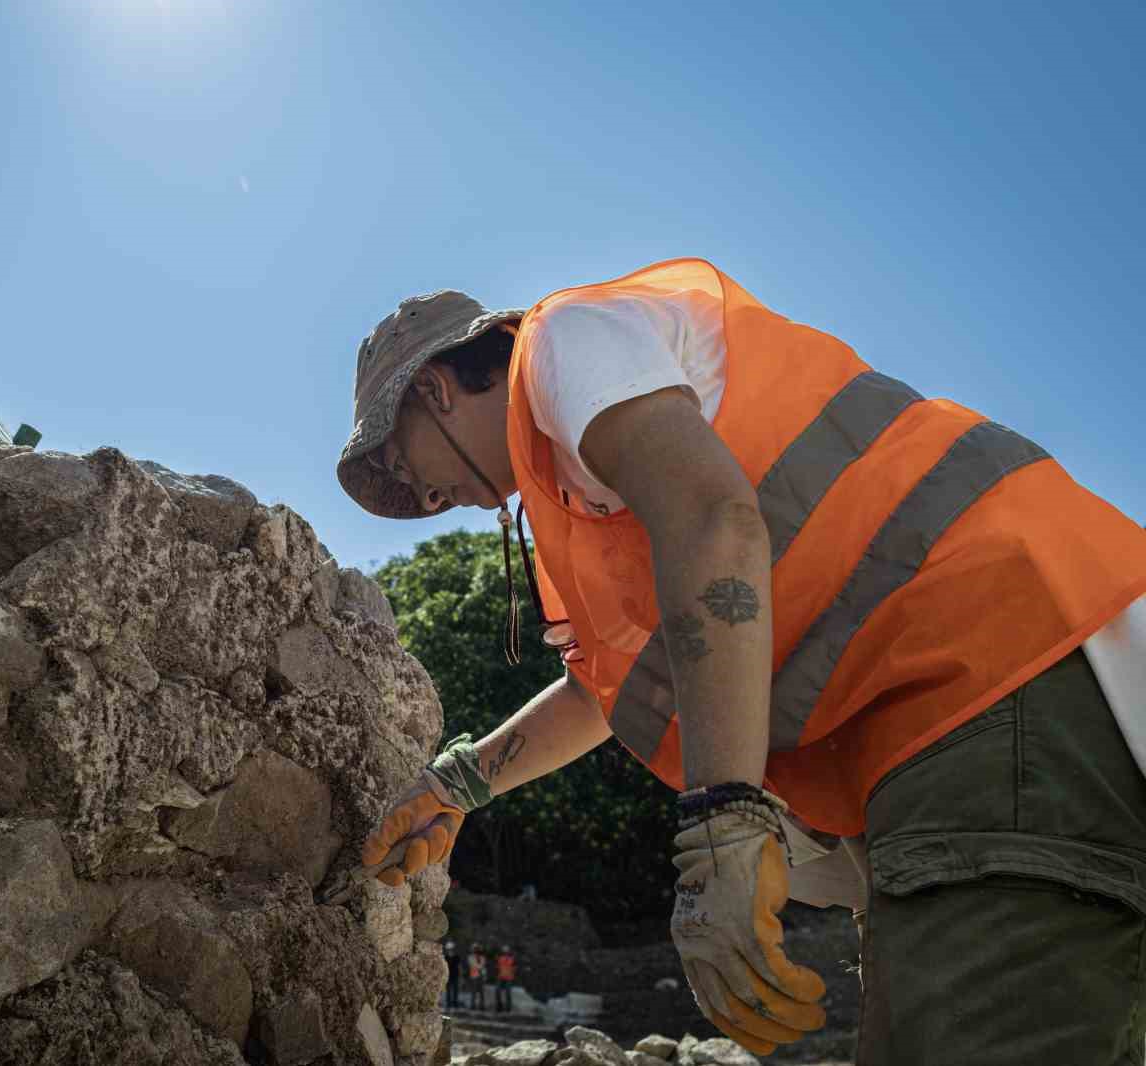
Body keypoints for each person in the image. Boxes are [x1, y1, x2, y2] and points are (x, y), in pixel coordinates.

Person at [339, 259, 1146, 1065]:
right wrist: (460, 783)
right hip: (960, 711)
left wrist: (725, 818)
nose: (434, 501)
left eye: (413, 472)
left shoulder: (563, 343)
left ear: (434, 391)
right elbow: (613, 692)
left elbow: (713, 519)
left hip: (993, 663)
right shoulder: (583, 476)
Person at [466, 942, 488, 1011]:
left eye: (477, 949)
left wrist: (481, 970)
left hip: (481, 976)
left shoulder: (482, 957)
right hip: (474, 976)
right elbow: (473, 965)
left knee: (481, 992)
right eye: (475, 949)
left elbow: (483, 965)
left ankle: (482, 1006)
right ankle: (473, 1005)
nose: (476, 950)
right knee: (474, 992)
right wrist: (480, 967)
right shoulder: (470, 957)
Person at [495, 946, 517, 1013]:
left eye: (507, 951)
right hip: (501, 977)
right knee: (497, 990)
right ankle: (499, 1006)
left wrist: (512, 972)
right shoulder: (500, 958)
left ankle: (508, 1008)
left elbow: (515, 968)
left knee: (508, 992)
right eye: (504, 951)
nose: (506, 952)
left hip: (509, 977)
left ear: (509, 951)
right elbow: (497, 967)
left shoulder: (512, 959)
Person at [443, 939, 463, 1010]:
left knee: (455, 990)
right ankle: (448, 1003)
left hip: (455, 976)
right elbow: (443, 967)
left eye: (451, 949)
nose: (450, 950)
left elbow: (459, 967)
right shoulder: (445, 957)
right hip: (448, 976)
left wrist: (461, 976)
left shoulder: (457, 957)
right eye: (449, 949)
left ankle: (455, 1003)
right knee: (448, 990)